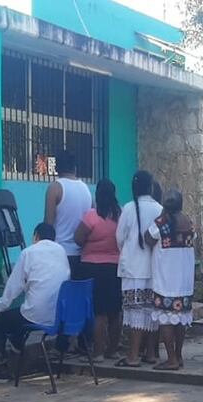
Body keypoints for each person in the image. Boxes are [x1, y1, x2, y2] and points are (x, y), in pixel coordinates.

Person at [0, 223, 70, 382]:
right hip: (59, 315)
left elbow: (13, 287)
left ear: (36, 236)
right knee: (19, 316)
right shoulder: (61, 251)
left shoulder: (28, 253)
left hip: (36, 314)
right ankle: (16, 347)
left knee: (0, 320)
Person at [115, 170, 162, 367]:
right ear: (151, 187)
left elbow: (119, 237)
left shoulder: (128, 208)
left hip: (132, 268)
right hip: (154, 268)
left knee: (134, 313)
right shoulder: (160, 209)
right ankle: (150, 353)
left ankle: (133, 355)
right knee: (150, 312)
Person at [145, 190, 195, 370]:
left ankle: (171, 358)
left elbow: (148, 239)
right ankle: (179, 355)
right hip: (184, 280)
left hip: (166, 279)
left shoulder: (161, 223)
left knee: (166, 320)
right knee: (180, 319)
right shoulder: (188, 222)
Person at [73, 178, 122, 360]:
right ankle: (113, 350)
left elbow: (78, 239)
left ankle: (98, 352)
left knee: (99, 312)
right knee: (115, 311)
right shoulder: (120, 215)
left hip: (92, 267)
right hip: (115, 267)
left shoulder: (91, 216)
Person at [43, 150, 92, 277]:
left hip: (60, 253)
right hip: (82, 253)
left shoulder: (55, 188)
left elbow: (48, 223)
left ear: (57, 168)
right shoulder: (86, 189)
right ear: (75, 168)